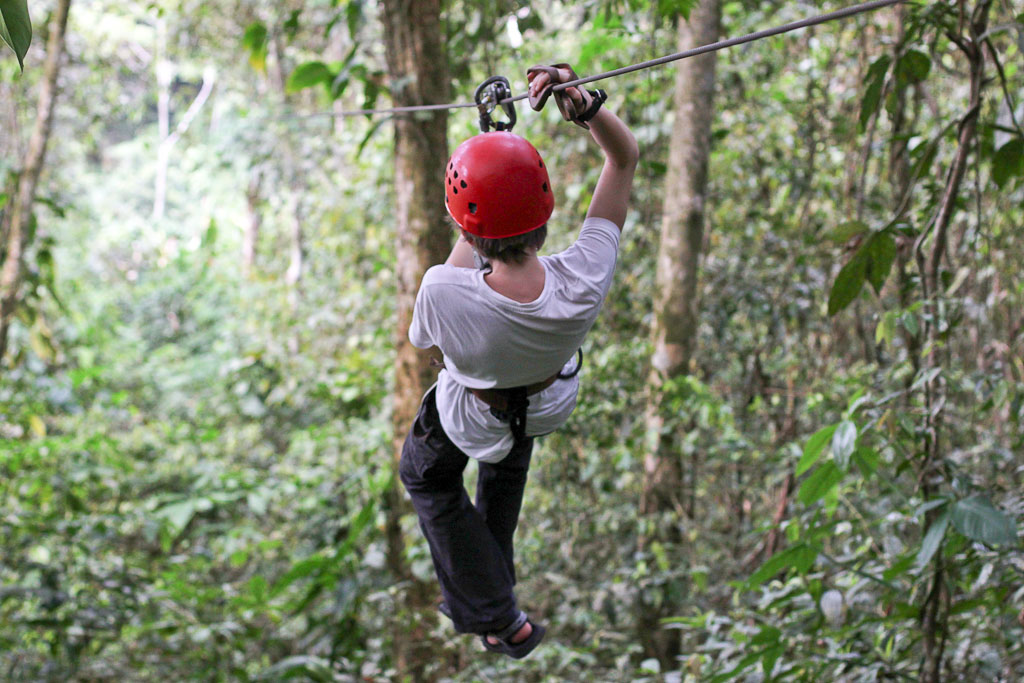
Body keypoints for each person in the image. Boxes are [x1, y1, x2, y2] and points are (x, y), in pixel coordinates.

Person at [398, 64, 638, 659]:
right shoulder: (583, 277)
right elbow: (624, 159)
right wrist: (583, 106)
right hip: (543, 405)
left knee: (426, 474)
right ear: (546, 210)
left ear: (465, 226)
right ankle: (494, 614)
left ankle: (499, 614)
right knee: (499, 491)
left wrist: (477, 184)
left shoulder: (441, 290)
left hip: (476, 415)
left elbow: (424, 338)